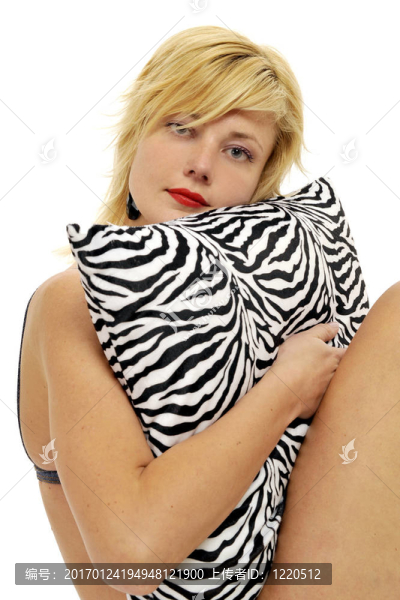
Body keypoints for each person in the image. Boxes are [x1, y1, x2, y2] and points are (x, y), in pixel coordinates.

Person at [16, 25, 399, 600]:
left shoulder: (263, 303)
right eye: (182, 127)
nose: (201, 165)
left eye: (237, 150)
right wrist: (286, 389)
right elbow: (131, 557)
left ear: (258, 188)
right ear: (137, 134)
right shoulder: (71, 301)